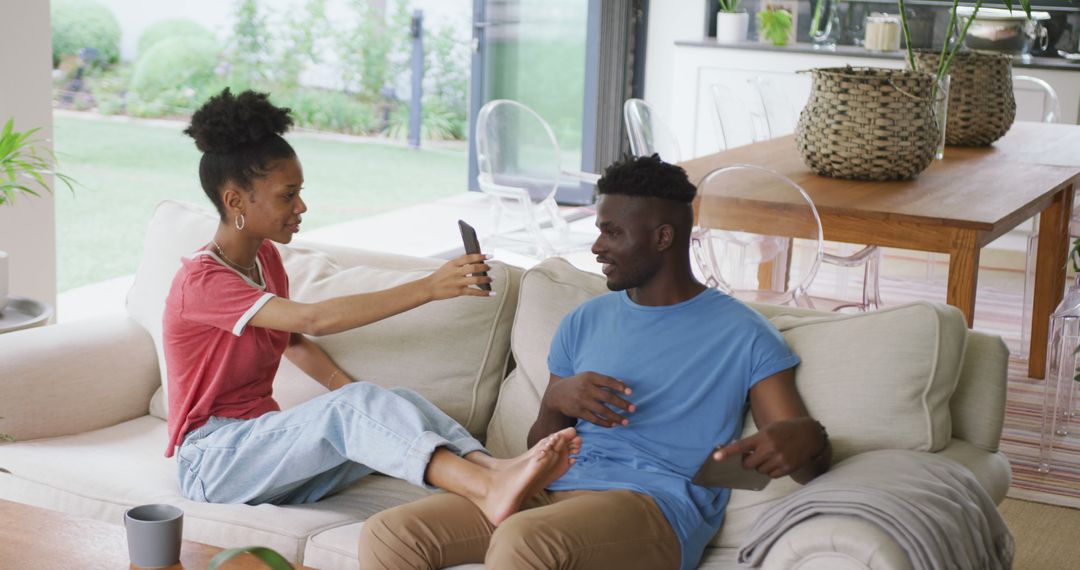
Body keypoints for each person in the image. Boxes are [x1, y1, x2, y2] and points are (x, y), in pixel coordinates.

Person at [357, 154, 832, 570]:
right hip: (545, 487)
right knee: (390, 534)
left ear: (663, 237)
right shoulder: (583, 320)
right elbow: (539, 443)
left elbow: (800, 455)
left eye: (612, 232)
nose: (596, 247)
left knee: (524, 542)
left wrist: (807, 439)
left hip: (652, 506)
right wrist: (557, 403)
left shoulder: (744, 334)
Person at [163, 88, 579, 526]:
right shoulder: (203, 282)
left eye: (299, 192)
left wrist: (350, 392)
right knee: (354, 407)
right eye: (288, 195)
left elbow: (294, 342)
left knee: (393, 401)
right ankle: (486, 489)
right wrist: (429, 287)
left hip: (261, 457)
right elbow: (313, 319)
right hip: (212, 462)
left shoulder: (264, 259)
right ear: (236, 202)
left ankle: (495, 469)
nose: (301, 206)